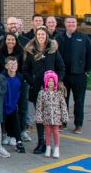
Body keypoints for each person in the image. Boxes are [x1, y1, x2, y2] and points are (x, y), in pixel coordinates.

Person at [23, 26, 65, 155]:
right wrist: (32, 81)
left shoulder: (52, 50)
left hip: (51, 91)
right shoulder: (30, 51)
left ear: (47, 36)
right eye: (39, 34)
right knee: (40, 117)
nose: (41, 36)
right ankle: (41, 142)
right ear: (36, 36)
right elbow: (25, 70)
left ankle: (52, 144)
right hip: (37, 89)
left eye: (43, 34)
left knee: (50, 117)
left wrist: (57, 82)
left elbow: (61, 67)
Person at [57, 16, 91, 134]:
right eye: (69, 22)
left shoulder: (83, 38)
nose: (71, 24)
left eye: (73, 22)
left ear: (76, 24)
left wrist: (86, 71)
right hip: (63, 76)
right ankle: (63, 123)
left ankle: (78, 124)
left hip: (79, 75)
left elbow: (90, 56)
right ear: (65, 24)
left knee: (79, 101)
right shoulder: (59, 38)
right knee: (63, 101)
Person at [34, 70, 69, 159]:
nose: (50, 83)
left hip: (56, 116)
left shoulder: (59, 93)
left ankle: (56, 148)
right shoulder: (42, 93)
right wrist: (39, 117)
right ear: (46, 81)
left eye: (52, 81)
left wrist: (64, 116)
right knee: (47, 132)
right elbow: (39, 106)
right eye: (49, 81)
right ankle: (48, 147)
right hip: (46, 116)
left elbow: (63, 106)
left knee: (56, 132)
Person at [1, 57, 25, 153]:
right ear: (6, 66)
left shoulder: (20, 77)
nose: (13, 65)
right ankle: (4, 137)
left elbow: (21, 92)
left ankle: (18, 140)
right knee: (2, 122)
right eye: (11, 63)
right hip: (3, 104)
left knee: (15, 121)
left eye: (15, 63)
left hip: (14, 104)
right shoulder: (2, 77)